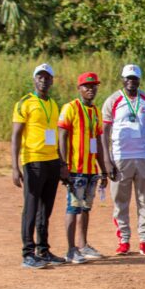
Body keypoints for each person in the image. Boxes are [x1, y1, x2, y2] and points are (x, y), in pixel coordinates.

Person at [12, 63, 67, 268]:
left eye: (47, 77)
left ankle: (43, 250)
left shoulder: (53, 104)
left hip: (51, 160)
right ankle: (28, 252)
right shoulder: (24, 103)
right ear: (34, 79)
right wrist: (15, 167)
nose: (44, 80)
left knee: (46, 208)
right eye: (40, 76)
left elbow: (56, 134)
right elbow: (16, 135)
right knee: (31, 206)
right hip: (33, 161)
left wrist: (62, 162)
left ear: (52, 80)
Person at [101, 64, 145, 256]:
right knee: (120, 201)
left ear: (139, 80)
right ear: (123, 79)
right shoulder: (113, 100)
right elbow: (104, 132)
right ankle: (123, 240)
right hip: (120, 157)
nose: (131, 81)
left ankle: (144, 241)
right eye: (128, 78)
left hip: (143, 156)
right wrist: (107, 160)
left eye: (134, 78)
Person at [58, 72, 108, 264]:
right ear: (79, 88)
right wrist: (63, 164)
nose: (90, 89)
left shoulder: (95, 111)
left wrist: (102, 169)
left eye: (94, 86)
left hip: (90, 170)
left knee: (85, 208)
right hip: (75, 169)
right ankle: (71, 250)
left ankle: (83, 245)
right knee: (73, 208)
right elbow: (62, 135)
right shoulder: (70, 108)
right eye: (86, 86)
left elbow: (98, 143)